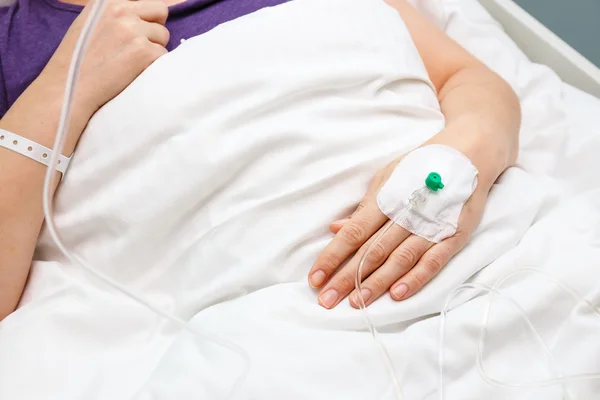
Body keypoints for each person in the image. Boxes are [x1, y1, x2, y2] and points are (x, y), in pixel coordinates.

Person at [0, 0, 520, 321]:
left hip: (488, 265)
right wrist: (62, 84)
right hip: (258, 324)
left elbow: (466, 79)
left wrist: (458, 164)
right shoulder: (11, 46)